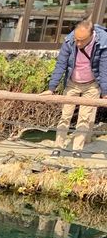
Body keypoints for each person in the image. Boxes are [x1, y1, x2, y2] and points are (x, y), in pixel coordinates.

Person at [46, 18, 107, 158]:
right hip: (72, 83)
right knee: (65, 115)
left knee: (84, 118)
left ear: (92, 35)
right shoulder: (69, 41)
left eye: (82, 40)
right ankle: (58, 147)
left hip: (92, 85)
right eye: (76, 39)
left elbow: (104, 69)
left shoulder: (103, 42)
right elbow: (61, 64)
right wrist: (52, 87)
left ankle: (77, 150)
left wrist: (105, 92)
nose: (78, 43)